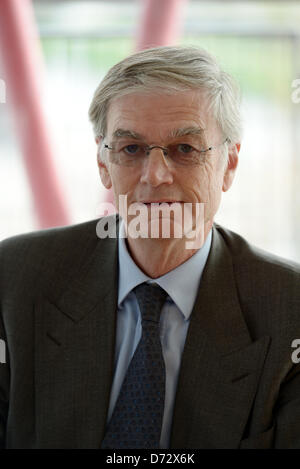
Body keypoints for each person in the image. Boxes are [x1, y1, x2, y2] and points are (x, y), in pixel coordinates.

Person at [1, 45, 300, 450]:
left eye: (185, 149)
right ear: (103, 164)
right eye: (131, 148)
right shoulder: (14, 278)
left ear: (229, 164)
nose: (155, 175)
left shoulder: (290, 312)